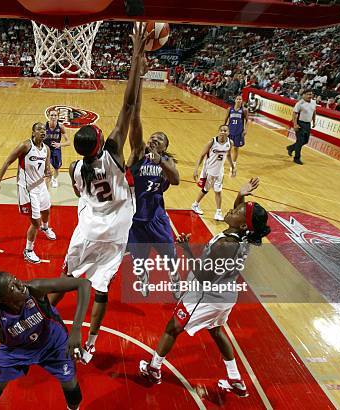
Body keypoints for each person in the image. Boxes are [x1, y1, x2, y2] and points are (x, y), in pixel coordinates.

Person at [48, 23, 149, 364]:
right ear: (100, 142)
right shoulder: (114, 153)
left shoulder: (77, 169)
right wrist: (136, 56)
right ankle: (90, 342)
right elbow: (129, 103)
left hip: (88, 230)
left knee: (66, 278)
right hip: (115, 234)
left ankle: (42, 319)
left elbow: (81, 194)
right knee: (102, 289)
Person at [139, 177, 271, 398]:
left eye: (238, 210)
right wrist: (242, 193)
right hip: (227, 294)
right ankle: (236, 380)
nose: (233, 208)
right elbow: (238, 216)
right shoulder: (243, 235)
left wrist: (186, 250)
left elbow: (202, 274)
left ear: (243, 223)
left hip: (205, 294)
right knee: (217, 330)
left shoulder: (225, 245)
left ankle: (153, 369)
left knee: (173, 327)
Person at [0, 272, 90, 410]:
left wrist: (76, 329)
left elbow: (83, 284)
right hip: (16, 351)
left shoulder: (35, 288)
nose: (19, 284)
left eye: (14, 278)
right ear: (3, 300)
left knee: (73, 392)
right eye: (12, 288)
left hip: (52, 343)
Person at [126, 56, 180, 297]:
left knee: (169, 253)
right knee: (138, 257)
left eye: (160, 138)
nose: (153, 139)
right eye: (153, 137)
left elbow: (176, 179)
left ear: (165, 146)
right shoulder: (138, 155)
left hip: (156, 216)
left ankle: (174, 278)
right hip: (135, 217)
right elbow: (135, 119)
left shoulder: (167, 162)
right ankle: (143, 275)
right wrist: (139, 78)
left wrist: (161, 161)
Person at [0, 123, 57, 264]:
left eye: (44, 130)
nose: (42, 132)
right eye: (39, 129)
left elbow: (47, 168)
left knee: (46, 210)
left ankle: (45, 228)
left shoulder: (46, 149)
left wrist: (49, 172)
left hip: (41, 186)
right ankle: (28, 250)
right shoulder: (25, 146)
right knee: (35, 222)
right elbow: (7, 162)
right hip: (27, 189)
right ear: (33, 132)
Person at [191, 125, 236, 221]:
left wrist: (233, 167)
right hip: (209, 170)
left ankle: (218, 212)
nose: (223, 132)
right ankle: (195, 204)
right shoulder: (212, 142)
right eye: (221, 130)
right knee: (205, 189)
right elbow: (202, 155)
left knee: (218, 191)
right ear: (218, 131)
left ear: (228, 132)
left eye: (225, 130)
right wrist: (196, 169)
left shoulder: (230, 142)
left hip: (220, 170)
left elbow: (228, 155)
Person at [287, 89, 316, 165]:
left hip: (308, 124)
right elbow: (294, 114)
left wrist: (314, 121)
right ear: (304, 95)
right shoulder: (300, 103)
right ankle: (296, 158)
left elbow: (314, 112)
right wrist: (295, 124)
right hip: (300, 123)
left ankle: (291, 148)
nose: (310, 96)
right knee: (299, 141)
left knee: (305, 141)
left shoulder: (313, 102)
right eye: (308, 94)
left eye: (311, 94)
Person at [43, 109, 69, 188]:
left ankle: (55, 179)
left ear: (58, 117)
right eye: (51, 115)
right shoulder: (44, 127)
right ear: (48, 116)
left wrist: (59, 144)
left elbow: (68, 142)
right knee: (44, 166)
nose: (53, 117)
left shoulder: (60, 127)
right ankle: (46, 178)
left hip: (55, 149)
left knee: (56, 166)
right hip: (45, 148)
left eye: (55, 115)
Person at [223, 95, 248, 166]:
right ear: (235, 100)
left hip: (239, 132)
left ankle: (233, 163)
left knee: (236, 148)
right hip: (230, 131)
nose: (239, 100)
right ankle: (224, 160)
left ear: (242, 101)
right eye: (237, 99)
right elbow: (226, 119)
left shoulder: (244, 110)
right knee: (228, 147)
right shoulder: (229, 109)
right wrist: (224, 127)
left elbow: (247, 120)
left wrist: (245, 130)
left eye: (240, 99)